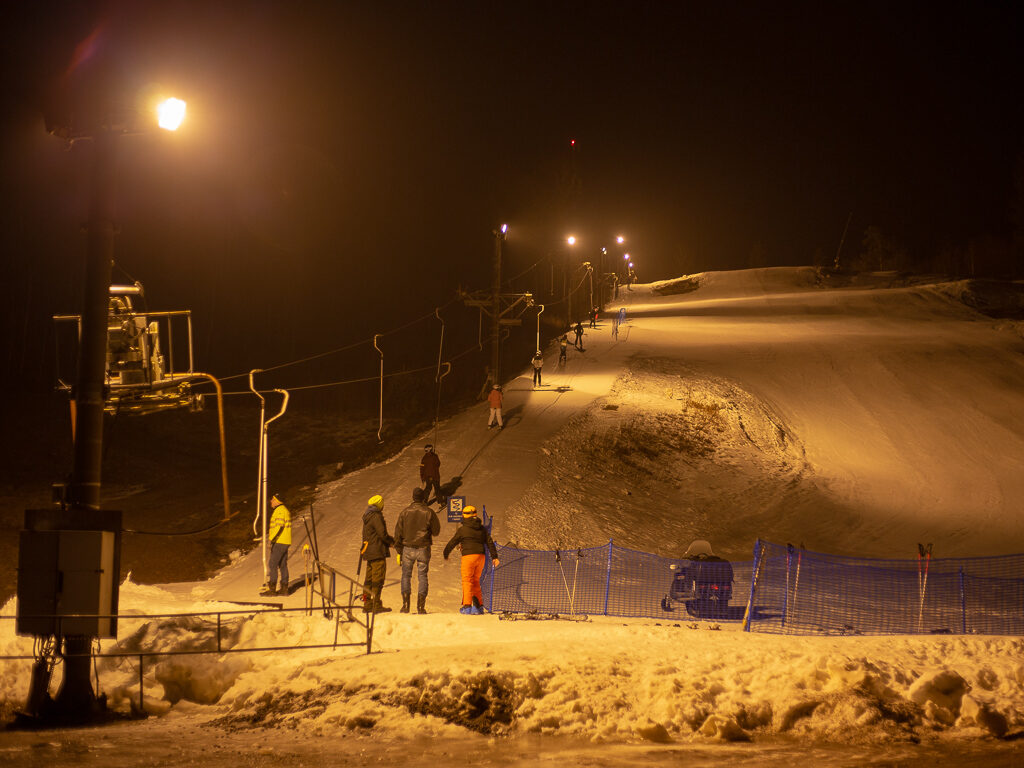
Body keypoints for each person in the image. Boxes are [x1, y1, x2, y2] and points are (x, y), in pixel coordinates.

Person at [442, 505, 500, 614]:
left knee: (467, 581)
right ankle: (478, 607)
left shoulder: (462, 530)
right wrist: (494, 557)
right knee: (475, 581)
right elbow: (489, 542)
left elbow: (452, 542)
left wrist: (446, 553)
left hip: (468, 557)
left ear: (464, 515)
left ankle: (467, 606)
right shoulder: (482, 529)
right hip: (481, 557)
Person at [393, 487, 441, 614]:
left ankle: (405, 605)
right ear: (423, 497)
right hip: (423, 548)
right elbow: (436, 531)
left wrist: (399, 550)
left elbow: (397, 533)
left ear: (413, 497)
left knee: (406, 575)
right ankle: (421, 607)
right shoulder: (429, 512)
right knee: (422, 576)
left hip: (407, 548)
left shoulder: (404, 512)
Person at [360, 494, 393, 613]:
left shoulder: (367, 515)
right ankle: (376, 604)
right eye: (382, 504)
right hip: (377, 551)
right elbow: (382, 534)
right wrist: (392, 542)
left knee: (369, 579)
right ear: (379, 504)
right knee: (378, 578)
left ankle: (367, 603)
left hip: (369, 551)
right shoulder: (376, 516)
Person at [261, 494, 292, 596]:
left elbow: (279, 527)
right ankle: (284, 588)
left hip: (279, 541)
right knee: (283, 565)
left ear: (278, 501)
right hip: (285, 541)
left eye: (273, 499)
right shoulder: (284, 510)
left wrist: (272, 539)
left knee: (272, 564)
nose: (271, 501)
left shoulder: (279, 511)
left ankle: (272, 589)